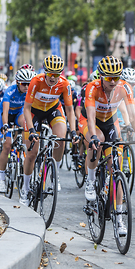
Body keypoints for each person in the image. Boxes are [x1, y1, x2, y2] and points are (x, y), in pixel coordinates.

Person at [80, 56, 135, 235]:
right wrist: (92, 136)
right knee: (97, 142)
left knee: (117, 168)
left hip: (110, 121)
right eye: (109, 78)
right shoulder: (93, 88)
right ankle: (91, 182)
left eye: (116, 77)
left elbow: (132, 115)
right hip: (91, 122)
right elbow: (91, 117)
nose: (113, 82)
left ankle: (119, 218)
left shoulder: (124, 87)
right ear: (101, 76)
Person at [21, 55, 79, 205]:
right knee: (32, 153)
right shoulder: (36, 81)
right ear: (45, 71)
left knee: (61, 138)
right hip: (34, 112)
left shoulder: (64, 84)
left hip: (53, 110)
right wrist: (32, 129)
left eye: (56, 74)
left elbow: (70, 111)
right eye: (50, 73)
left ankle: (54, 173)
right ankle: (25, 188)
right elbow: (26, 109)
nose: (53, 77)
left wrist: (73, 131)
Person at [0, 68, 36, 193]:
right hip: (6, 114)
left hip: (19, 112)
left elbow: (29, 111)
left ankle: (22, 150)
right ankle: (1, 178)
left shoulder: (30, 91)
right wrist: (5, 125)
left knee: (25, 123)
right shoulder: (10, 90)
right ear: (18, 82)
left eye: (29, 84)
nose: (26, 86)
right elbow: (5, 111)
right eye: (24, 84)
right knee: (7, 146)